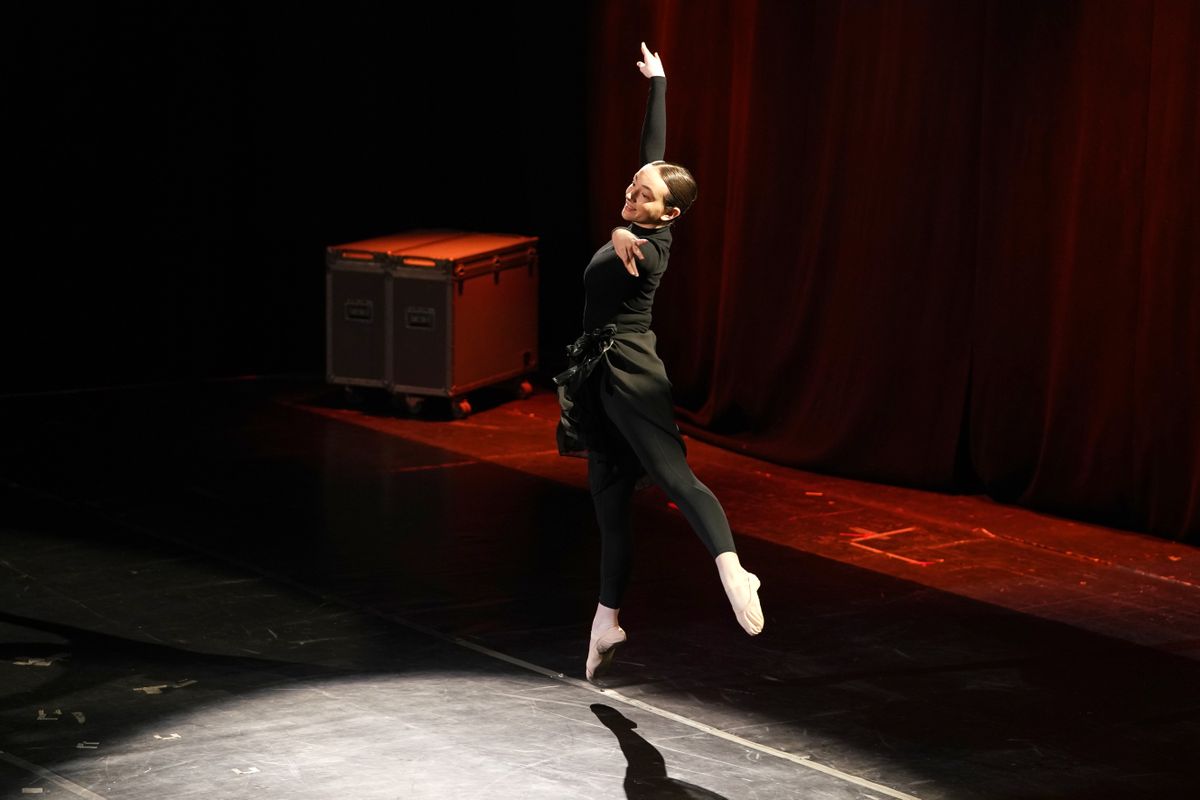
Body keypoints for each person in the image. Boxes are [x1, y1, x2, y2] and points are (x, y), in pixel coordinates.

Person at [554, 42, 764, 683]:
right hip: (595, 378)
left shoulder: (650, 248)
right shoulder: (644, 210)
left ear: (667, 215)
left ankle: (732, 566)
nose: (631, 193)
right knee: (610, 504)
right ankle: (605, 620)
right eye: (633, 189)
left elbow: (615, 265)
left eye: (642, 197)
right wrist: (660, 83)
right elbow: (654, 150)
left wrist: (623, 237)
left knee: (674, 477)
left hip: (629, 373)